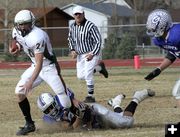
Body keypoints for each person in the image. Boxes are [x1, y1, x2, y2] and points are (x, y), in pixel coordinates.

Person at [9, 9, 72, 136]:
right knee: (19, 92)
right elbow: (17, 41)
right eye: (20, 24)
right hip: (35, 65)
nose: (22, 27)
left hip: (48, 67)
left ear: (31, 23)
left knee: (65, 101)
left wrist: (30, 82)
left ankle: (74, 118)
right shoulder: (16, 31)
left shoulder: (38, 36)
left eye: (25, 23)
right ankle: (29, 124)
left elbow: (40, 63)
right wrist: (15, 48)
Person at [37, 88, 155, 131]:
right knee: (120, 119)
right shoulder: (48, 119)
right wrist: (79, 117)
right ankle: (116, 103)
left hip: (94, 113)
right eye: (47, 110)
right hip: (87, 122)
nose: (51, 111)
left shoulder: (62, 98)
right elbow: (71, 128)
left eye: (51, 107)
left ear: (55, 101)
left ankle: (137, 97)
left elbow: (81, 108)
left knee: (126, 122)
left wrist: (81, 115)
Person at [68, 5, 108, 103]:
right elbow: (70, 39)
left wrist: (92, 54)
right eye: (76, 14)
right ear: (73, 15)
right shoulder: (72, 26)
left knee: (88, 75)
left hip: (91, 52)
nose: (78, 16)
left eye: (79, 14)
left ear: (83, 14)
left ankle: (90, 96)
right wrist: (72, 50)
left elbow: (98, 41)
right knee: (80, 76)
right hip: (80, 54)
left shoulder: (90, 26)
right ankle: (99, 68)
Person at [145, 9, 180, 107]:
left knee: (178, 91)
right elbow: (173, 54)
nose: (152, 31)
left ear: (163, 27)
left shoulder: (177, 34)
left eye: (154, 28)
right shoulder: (159, 40)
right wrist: (159, 69)